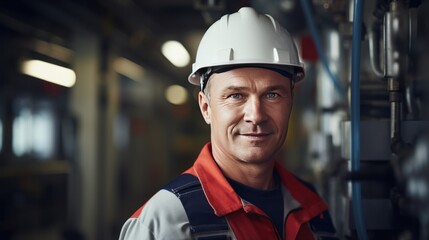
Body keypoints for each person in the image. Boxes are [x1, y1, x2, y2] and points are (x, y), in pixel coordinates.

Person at [119, 7, 337, 240]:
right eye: (236, 96)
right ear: (206, 108)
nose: (256, 115)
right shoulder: (162, 223)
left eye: (272, 94)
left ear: (291, 102)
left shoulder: (313, 207)